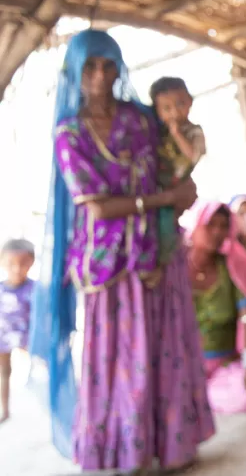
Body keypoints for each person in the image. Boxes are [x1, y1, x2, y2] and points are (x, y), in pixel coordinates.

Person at [31, 29, 214, 469]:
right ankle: (124, 451)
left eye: (108, 65)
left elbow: (176, 164)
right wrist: (163, 200)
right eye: (90, 66)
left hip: (159, 251)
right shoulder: (69, 133)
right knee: (118, 358)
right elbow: (97, 210)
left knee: (167, 347)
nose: (100, 74)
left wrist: (183, 189)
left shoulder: (141, 119)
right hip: (107, 264)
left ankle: (171, 447)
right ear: (74, 71)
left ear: (119, 70)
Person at [184, 201, 246, 414]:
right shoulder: (176, 268)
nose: (217, 232)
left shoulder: (232, 267)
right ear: (196, 225)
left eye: (224, 226)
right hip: (182, 366)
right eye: (210, 224)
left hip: (224, 368)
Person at [150, 76, 206, 264]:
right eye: (166, 108)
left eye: (180, 103)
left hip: (177, 187)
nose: (174, 112)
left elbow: (192, 156)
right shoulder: (156, 131)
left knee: (168, 224)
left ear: (190, 102)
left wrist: (177, 134)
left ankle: (161, 263)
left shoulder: (194, 131)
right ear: (157, 112)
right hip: (157, 187)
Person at [0, 238, 34, 423]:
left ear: (31, 263)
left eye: (23, 263)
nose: (16, 268)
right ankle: (5, 410)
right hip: (3, 337)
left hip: (26, 337)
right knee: (4, 372)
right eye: (10, 263)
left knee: (41, 366)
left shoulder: (34, 289)